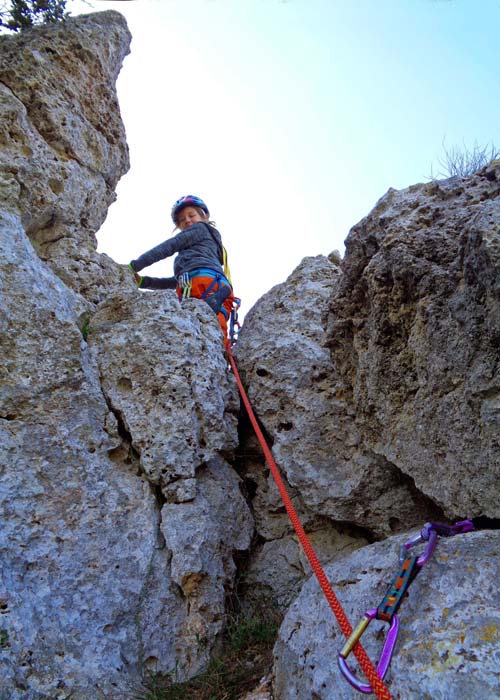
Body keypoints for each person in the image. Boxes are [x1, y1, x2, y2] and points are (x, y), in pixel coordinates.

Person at [128, 195, 236, 346]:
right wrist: (144, 282)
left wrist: (135, 265)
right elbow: (177, 280)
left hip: (198, 285)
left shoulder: (199, 229)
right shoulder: (211, 244)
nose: (187, 220)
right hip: (220, 288)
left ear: (205, 217)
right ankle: (222, 359)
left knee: (188, 332)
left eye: (192, 215)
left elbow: (170, 246)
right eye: (181, 220)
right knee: (216, 333)